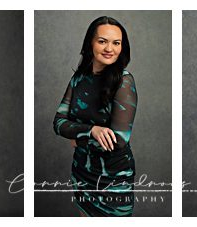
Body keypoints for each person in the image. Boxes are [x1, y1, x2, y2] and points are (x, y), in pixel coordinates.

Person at [52, 16, 138, 217]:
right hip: (82, 172)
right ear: (90, 43)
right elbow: (57, 122)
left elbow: (118, 141)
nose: (110, 48)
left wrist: (76, 137)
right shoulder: (79, 79)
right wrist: (92, 131)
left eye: (116, 43)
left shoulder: (124, 82)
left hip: (113, 179)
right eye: (102, 41)